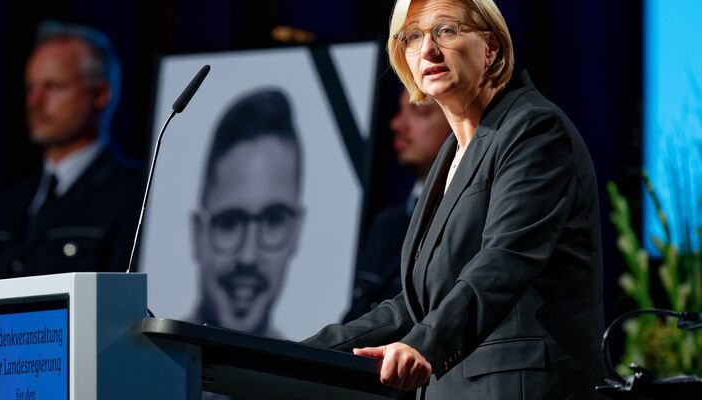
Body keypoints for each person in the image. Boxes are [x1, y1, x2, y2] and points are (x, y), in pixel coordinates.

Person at [303, 0, 606, 398]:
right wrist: (301, 354)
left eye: (446, 30)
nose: (427, 50)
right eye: (413, 37)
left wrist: (424, 344)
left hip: (518, 386)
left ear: (491, 47)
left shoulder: (534, 128)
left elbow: (504, 261)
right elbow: (415, 305)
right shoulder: (450, 154)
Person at [0, 21, 143, 279]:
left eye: (53, 86)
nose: (35, 101)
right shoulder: (7, 202)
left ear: (99, 94)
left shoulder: (134, 195)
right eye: (30, 87)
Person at [189, 88, 305, 338]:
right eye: (230, 222)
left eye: (273, 220)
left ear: (296, 231)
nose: (248, 256)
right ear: (198, 233)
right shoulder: (155, 356)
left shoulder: (308, 361)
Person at [342, 89, 451, 323]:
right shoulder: (386, 223)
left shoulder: (472, 215)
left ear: (460, 123)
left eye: (418, 110)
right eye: (400, 110)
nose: (396, 124)